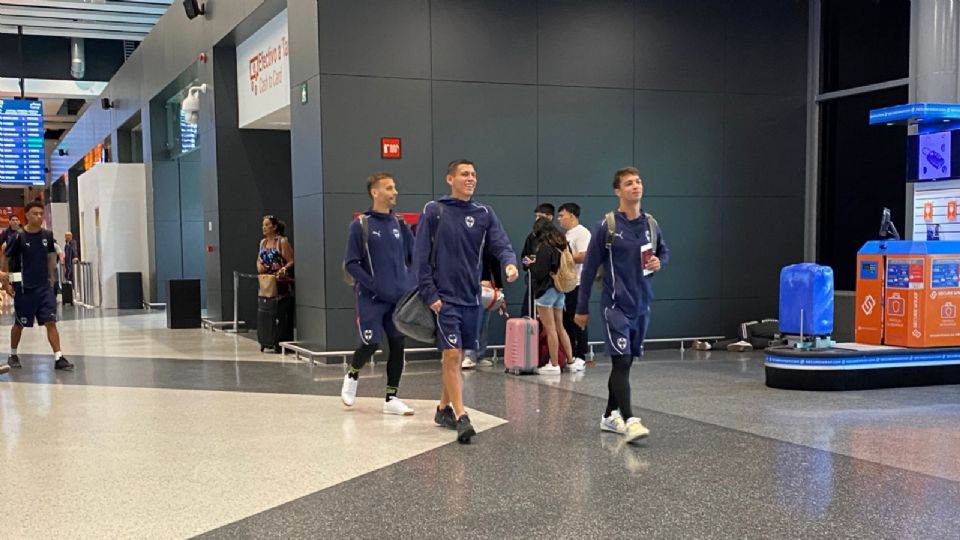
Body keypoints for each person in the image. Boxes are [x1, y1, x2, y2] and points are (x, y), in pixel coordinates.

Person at [415, 159, 518, 443]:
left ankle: (442, 408)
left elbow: (501, 243)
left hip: (470, 298)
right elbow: (420, 256)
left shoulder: (484, 213)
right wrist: (430, 294)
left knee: (457, 355)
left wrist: (510, 263)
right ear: (450, 179)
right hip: (444, 299)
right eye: (464, 174)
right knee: (450, 354)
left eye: (473, 174)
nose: (470, 178)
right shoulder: (434, 210)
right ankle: (462, 416)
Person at [575, 167, 669, 443]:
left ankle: (608, 416)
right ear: (618, 191)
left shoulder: (651, 224)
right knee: (622, 360)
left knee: (625, 366)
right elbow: (589, 269)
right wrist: (581, 309)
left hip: (642, 306)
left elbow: (664, 250)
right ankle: (629, 419)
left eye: (638, 181)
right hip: (614, 306)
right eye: (628, 183)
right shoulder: (607, 226)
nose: (635, 186)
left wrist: (660, 262)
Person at [341, 172, 417, 416]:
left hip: (398, 299)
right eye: (389, 188)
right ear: (375, 192)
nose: (395, 192)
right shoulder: (360, 225)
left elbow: (414, 257)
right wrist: (373, 285)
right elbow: (351, 263)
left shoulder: (400, 224)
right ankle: (353, 373)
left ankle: (391, 398)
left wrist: (411, 284)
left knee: (397, 346)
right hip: (371, 299)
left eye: (394, 187)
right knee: (371, 343)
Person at [3, 201, 73, 371]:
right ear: (26, 215)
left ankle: (59, 357)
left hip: (44, 288)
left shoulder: (47, 235)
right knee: (20, 324)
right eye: (35, 214)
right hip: (24, 288)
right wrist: (6, 281)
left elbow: (50, 256)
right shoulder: (18, 236)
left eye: (41, 214)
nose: (39, 217)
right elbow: (5, 255)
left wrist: (52, 278)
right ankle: (13, 354)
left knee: (51, 321)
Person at [528, 219, 575, 375]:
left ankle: (554, 364)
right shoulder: (562, 244)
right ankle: (571, 361)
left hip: (546, 290)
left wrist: (531, 264)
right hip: (560, 289)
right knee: (560, 327)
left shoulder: (544, 247)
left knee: (550, 329)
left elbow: (540, 272)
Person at [557, 202, 591, 371]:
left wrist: (564, 259)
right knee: (567, 321)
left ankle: (581, 355)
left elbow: (585, 255)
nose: (559, 219)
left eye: (562, 215)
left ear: (572, 214)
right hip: (566, 285)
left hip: (578, 283)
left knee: (577, 320)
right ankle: (570, 354)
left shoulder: (582, 233)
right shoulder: (567, 235)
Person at [462, 245, 505, 369]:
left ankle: (479, 355)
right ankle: (469, 355)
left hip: (486, 288)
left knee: (483, 322)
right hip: (472, 286)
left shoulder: (491, 242)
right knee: (474, 322)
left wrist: (498, 287)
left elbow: (495, 262)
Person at [520, 204, 554, 317]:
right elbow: (524, 257)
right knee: (528, 314)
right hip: (533, 283)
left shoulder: (557, 237)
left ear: (550, 217)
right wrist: (529, 261)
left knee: (551, 321)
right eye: (536, 216)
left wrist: (540, 261)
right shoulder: (532, 237)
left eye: (540, 216)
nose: (537, 219)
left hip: (552, 284)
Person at [257, 215, 295, 294]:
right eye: (263, 225)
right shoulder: (263, 242)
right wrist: (259, 265)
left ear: (274, 227)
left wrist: (283, 269)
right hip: (266, 282)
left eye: (267, 225)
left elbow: (291, 261)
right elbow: (259, 259)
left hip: (280, 282)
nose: (264, 227)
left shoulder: (281, 241)